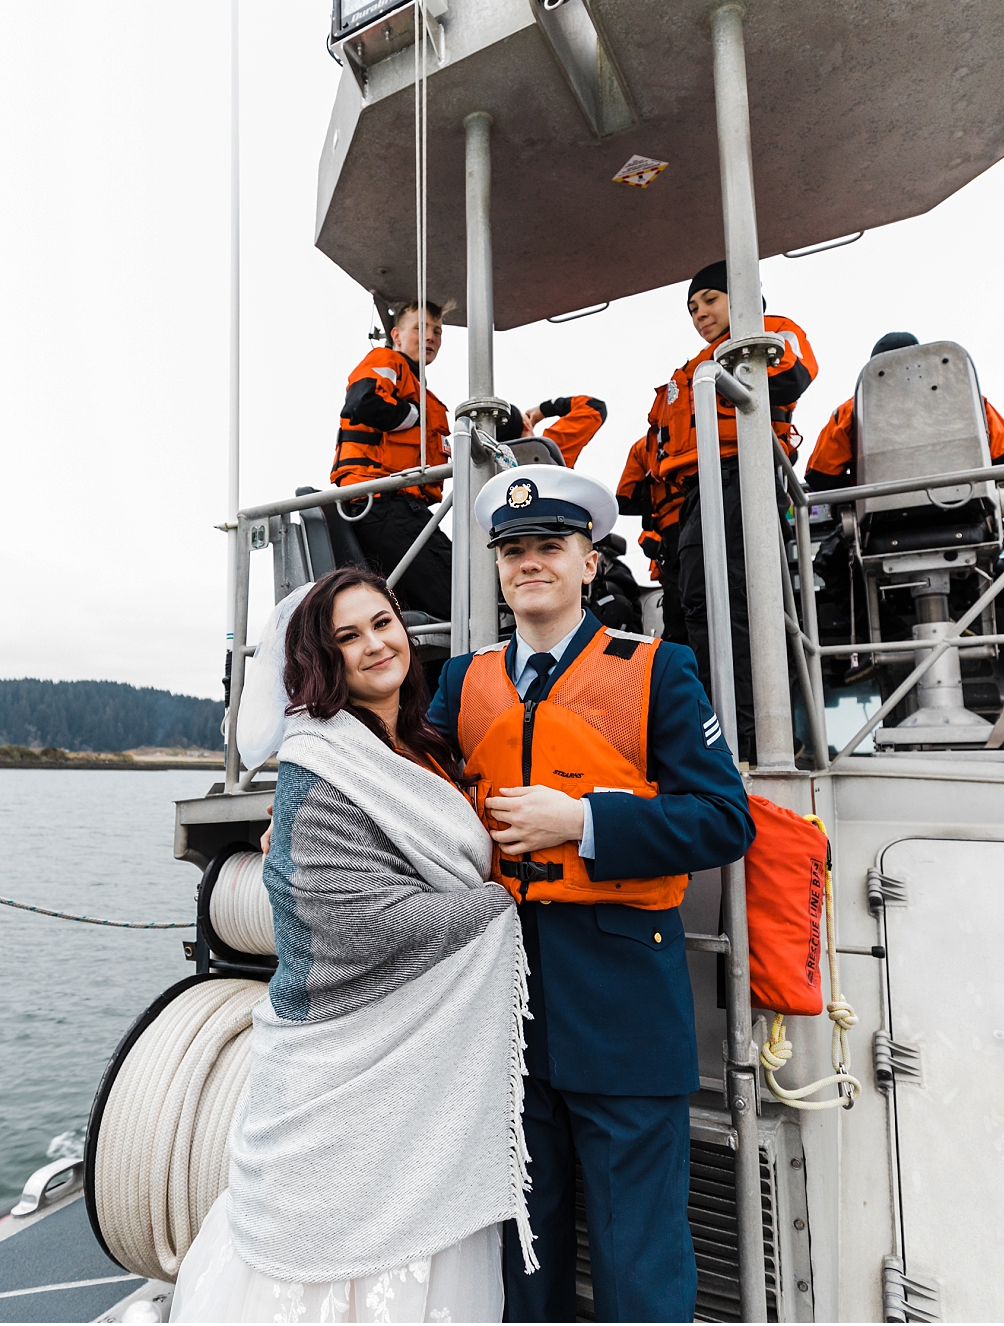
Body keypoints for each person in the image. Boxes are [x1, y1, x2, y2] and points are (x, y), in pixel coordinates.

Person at [428, 466, 754, 1324]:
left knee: (637, 1258)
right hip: (501, 1015)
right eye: (513, 550)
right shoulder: (461, 685)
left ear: (588, 562)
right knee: (518, 1252)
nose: (528, 563)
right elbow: (403, 789)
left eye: (549, 547)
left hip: (623, 1011)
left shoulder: (657, 671)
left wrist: (583, 821)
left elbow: (724, 820)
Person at [173, 567, 532, 1323]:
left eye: (383, 622)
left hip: (422, 1082)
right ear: (321, 659)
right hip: (343, 1068)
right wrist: (501, 906)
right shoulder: (321, 763)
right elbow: (353, 925)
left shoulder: (426, 741)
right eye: (348, 636)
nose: (375, 644)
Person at [644, 260, 818, 755]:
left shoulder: (770, 335)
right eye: (692, 308)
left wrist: (733, 357)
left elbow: (791, 375)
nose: (700, 314)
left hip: (743, 474)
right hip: (696, 495)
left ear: (741, 298)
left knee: (729, 598)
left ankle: (747, 734)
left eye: (710, 300)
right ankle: (710, 728)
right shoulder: (687, 372)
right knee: (693, 608)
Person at [804, 331, 1004, 506]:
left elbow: (821, 478)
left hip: (881, 525)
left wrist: (863, 492)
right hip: (967, 510)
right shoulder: (967, 400)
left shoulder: (849, 412)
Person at [332, 300, 455, 619]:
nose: (431, 337)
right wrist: (414, 415)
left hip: (402, 508)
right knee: (460, 597)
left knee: (454, 593)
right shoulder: (386, 359)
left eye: (438, 332)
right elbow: (363, 402)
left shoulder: (421, 388)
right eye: (421, 328)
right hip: (380, 504)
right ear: (397, 335)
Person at [616, 432, 686, 643]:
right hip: (729, 520)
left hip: (674, 533)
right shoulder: (720, 429)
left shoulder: (646, 446)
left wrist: (652, 508)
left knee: (681, 616)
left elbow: (624, 499)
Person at [502, 394, 608, 467]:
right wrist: (544, 409)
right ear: (526, 425)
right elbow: (594, 408)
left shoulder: (496, 471)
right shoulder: (548, 451)